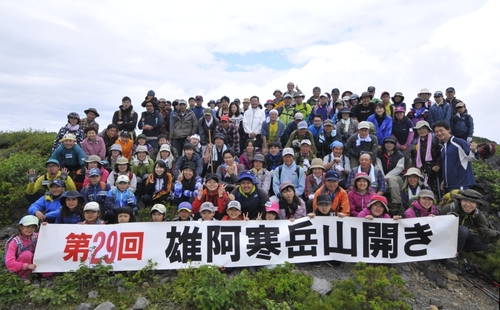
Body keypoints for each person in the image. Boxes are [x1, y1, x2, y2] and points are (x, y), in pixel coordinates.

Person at [433, 120, 477, 193]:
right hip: (449, 186)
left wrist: (474, 150)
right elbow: (447, 166)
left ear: (448, 130)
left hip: (461, 184)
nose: (439, 133)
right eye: (436, 132)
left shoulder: (459, 142)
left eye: (441, 130)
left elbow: (472, 158)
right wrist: (444, 180)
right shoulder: (443, 148)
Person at [376, 136, 407, 215]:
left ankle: (396, 204)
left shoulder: (400, 155)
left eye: (391, 143)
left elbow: (399, 168)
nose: (389, 145)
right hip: (382, 176)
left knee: (392, 180)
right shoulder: (380, 155)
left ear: (394, 145)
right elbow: (379, 167)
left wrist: (387, 177)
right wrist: (383, 178)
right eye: (387, 143)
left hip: (397, 177)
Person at [5, 215, 40, 282]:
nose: (30, 229)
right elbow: (9, 263)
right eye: (27, 226)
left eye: (33, 227)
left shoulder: (36, 236)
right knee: (27, 254)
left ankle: (42, 274)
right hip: (22, 267)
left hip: (33, 264)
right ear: (20, 227)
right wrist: (27, 266)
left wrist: (46, 226)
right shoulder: (14, 242)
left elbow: (47, 235)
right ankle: (24, 277)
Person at [412, 121, 441, 191]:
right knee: (426, 188)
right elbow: (416, 157)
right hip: (425, 168)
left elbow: (440, 153)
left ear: (428, 129)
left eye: (424, 128)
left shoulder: (435, 139)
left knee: (439, 187)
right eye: (419, 129)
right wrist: (420, 168)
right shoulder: (417, 141)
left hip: (436, 167)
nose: (422, 131)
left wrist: (438, 165)